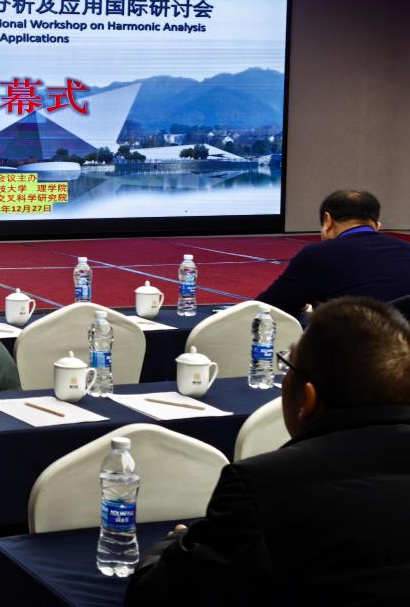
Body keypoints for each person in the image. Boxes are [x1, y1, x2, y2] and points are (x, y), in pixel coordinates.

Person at [125, 295, 410, 606]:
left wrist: (169, 545)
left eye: (288, 366)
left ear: (308, 399)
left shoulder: (262, 486)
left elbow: (159, 595)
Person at [256, 189, 410, 317]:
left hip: (353, 341)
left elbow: (267, 308)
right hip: (402, 338)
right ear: (377, 225)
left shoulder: (316, 254)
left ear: (327, 220)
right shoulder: (406, 248)